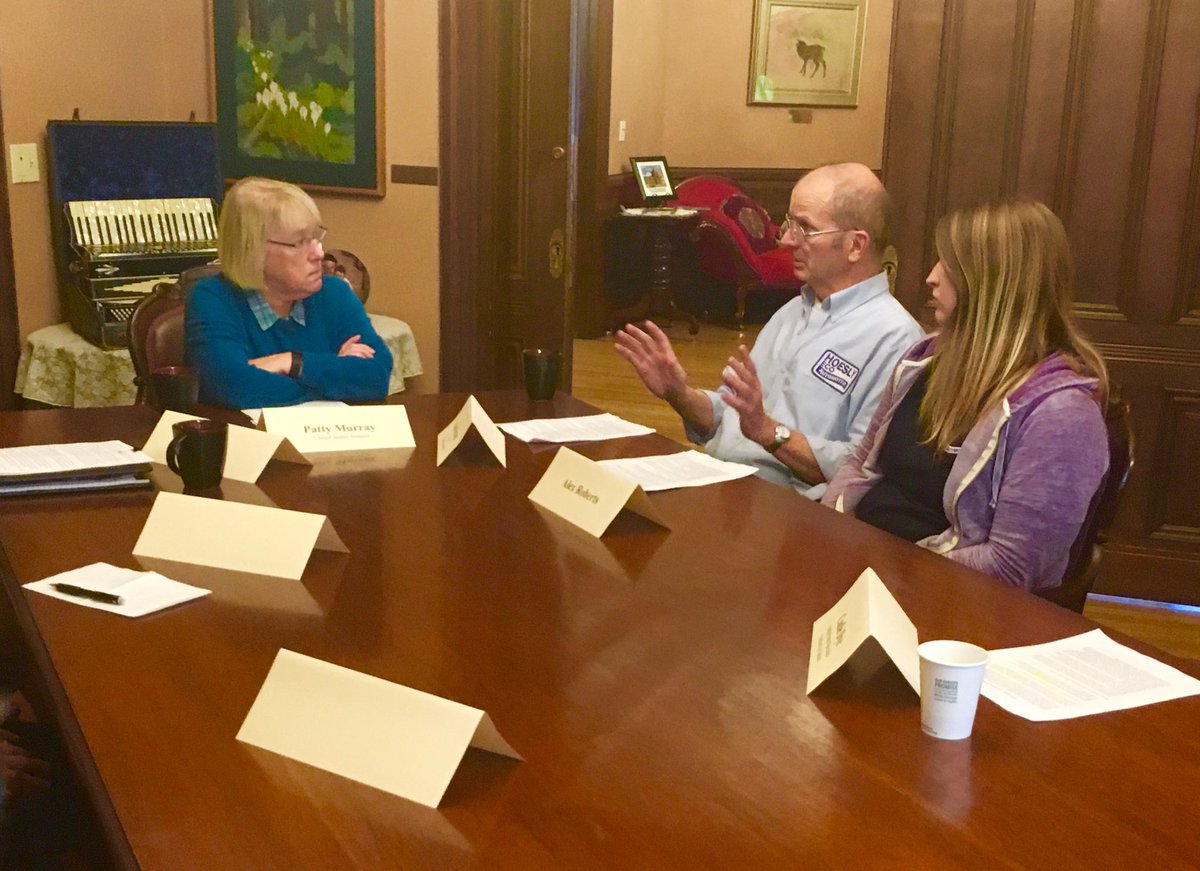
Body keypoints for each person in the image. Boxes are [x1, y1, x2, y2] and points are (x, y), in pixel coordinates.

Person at [823, 199, 1110, 592]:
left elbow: (1011, 567)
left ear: (995, 282)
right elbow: (860, 465)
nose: (931, 277)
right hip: (866, 568)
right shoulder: (923, 358)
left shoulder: (1062, 415)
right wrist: (828, 536)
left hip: (944, 597)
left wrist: (884, 569)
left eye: (949, 265)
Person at [614, 163, 922, 498]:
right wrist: (679, 393)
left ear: (855, 246)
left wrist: (767, 431)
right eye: (790, 224)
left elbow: (861, 472)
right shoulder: (791, 312)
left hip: (789, 513)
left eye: (806, 228)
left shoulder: (896, 340)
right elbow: (729, 419)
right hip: (719, 483)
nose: (787, 240)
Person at [185, 177, 393, 409]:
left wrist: (292, 362)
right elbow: (233, 386)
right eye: (300, 242)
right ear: (253, 250)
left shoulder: (334, 293)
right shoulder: (213, 298)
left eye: (316, 237)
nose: (319, 253)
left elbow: (377, 376)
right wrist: (337, 371)